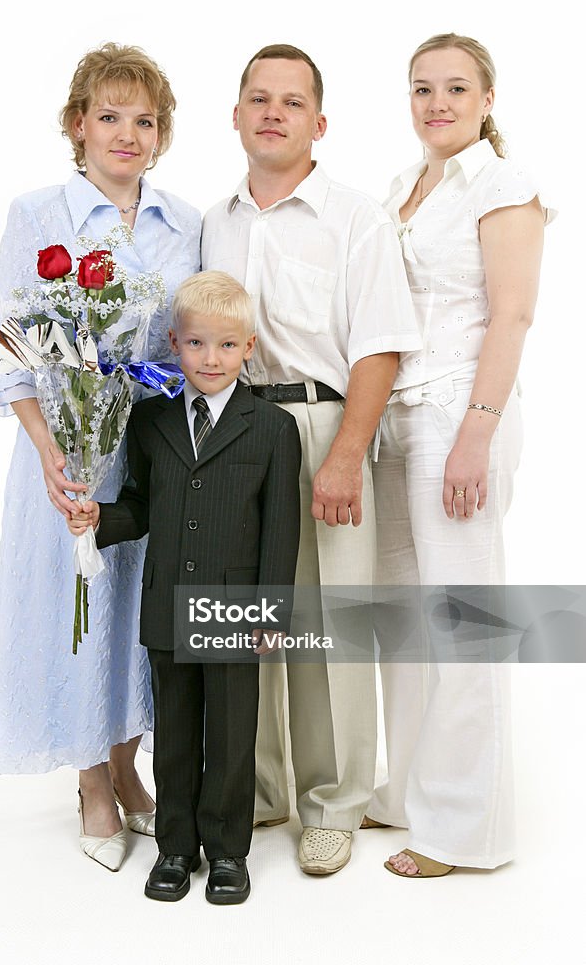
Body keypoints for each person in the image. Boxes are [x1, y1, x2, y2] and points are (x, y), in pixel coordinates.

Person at [0, 43, 200, 871]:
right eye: (110, 116)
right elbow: (10, 345)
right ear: (78, 125)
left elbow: (186, 342)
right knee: (78, 616)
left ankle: (129, 769)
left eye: (145, 120)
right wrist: (46, 451)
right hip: (69, 451)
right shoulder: (40, 215)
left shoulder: (184, 222)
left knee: (139, 617)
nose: (127, 134)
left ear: (163, 134)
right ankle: (90, 786)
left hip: (151, 450)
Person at [201, 44, 421, 875]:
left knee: (326, 622)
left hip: (321, 425)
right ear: (234, 114)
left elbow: (378, 349)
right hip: (231, 429)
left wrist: (345, 456)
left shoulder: (354, 217)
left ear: (317, 123)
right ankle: (262, 791)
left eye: (291, 103)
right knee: (244, 614)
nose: (272, 113)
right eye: (257, 98)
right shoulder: (212, 220)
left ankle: (335, 802)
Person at [365, 33, 554, 877]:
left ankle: (462, 832)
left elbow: (510, 316)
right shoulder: (403, 186)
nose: (435, 103)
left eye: (453, 88)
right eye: (420, 89)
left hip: (457, 415)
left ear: (485, 99)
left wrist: (476, 429)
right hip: (398, 416)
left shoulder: (503, 184)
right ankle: (402, 791)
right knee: (401, 614)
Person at [67, 272, 302, 903]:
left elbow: (281, 532)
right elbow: (141, 506)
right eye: (197, 344)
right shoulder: (151, 421)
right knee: (174, 732)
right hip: (167, 601)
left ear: (248, 346)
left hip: (235, 609)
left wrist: (270, 612)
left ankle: (227, 853)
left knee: (230, 734)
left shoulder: (274, 429)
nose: (211, 359)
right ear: (175, 343)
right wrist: (101, 519)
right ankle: (174, 848)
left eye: (226, 346)